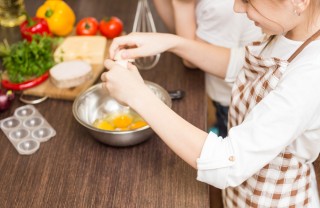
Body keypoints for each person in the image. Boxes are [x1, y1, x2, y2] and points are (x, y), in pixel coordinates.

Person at [101, 0, 320, 207]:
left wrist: (138, 95)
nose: (237, 8)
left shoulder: (310, 76)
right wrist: (173, 42)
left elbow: (228, 164)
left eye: (247, 1)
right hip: (245, 193)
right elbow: (239, 63)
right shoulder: (292, 31)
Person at [153, 0, 262, 137]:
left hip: (236, 105)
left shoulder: (221, 6)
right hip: (225, 93)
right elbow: (179, 34)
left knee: (228, 138)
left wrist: (182, 6)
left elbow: (190, 58)